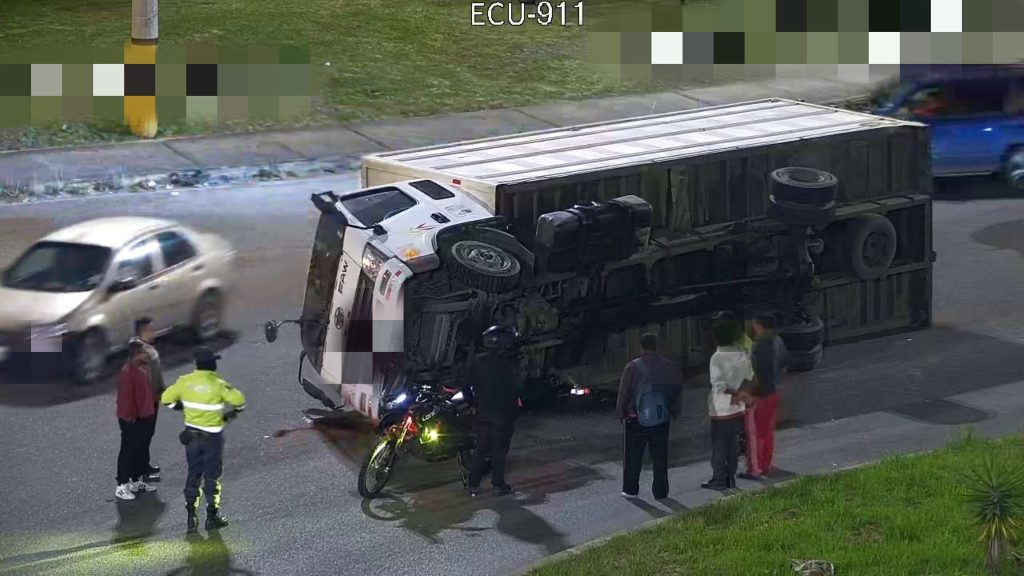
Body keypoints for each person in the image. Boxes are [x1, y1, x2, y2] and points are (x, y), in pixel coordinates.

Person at [161, 348, 246, 533]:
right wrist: (231, 414)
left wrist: (181, 407)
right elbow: (239, 401)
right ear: (213, 365)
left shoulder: (185, 381)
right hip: (212, 439)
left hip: (192, 437)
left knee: (193, 474)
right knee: (211, 477)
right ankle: (212, 516)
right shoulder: (218, 384)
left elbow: (166, 399)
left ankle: (191, 518)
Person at [615, 332, 683, 500]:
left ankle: (630, 489)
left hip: (635, 419)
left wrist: (621, 413)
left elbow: (623, 393)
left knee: (633, 456)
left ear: (641, 347)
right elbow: (676, 391)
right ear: (656, 346)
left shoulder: (631, 367)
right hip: (661, 419)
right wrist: (674, 411)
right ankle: (660, 491)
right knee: (660, 457)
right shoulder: (670, 366)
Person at [463, 324, 523, 497]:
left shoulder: (477, 361)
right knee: (499, 451)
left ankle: (473, 485)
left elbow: (465, 385)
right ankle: (498, 485)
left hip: (483, 412)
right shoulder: (510, 364)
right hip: (503, 415)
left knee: (480, 451)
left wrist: (472, 403)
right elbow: (518, 388)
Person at [702, 319, 753, 491]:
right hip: (738, 408)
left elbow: (719, 385)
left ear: (716, 338)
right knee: (733, 444)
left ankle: (718, 479)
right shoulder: (741, 354)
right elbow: (749, 377)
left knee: (719, 445)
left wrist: (730, 395)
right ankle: (730, 476)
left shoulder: (717, 358)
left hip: (720, 407)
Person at [739, 312, 788, 480]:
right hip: (774, 391)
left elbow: (757, 373)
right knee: (768, 432)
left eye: (755, 324)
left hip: (761, 395)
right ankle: (766, 464)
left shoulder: (759, 346)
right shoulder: (778, 342)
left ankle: (755, 468)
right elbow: (784, 365)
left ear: (760, 325)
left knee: (755, 433)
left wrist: (749, 393)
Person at [115, 341, 158, 501]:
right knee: (128, 452)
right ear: (135, 356)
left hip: (144, 417)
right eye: (142, 353)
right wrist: (131, 419)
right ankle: (121, 485)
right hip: (132, 419)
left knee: (139, 450)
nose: (146, 355)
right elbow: (125, 400)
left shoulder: (143, 368)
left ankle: (135, 481)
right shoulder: (127, 373)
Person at [131, 317, 165, 481]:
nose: (154, 332)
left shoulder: (147, 347)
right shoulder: (138, 350)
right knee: (142, 435)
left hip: (153, 398)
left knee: (147, 434)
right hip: (144, 401)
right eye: (150, 329)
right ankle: (140, 469)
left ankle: (145, 465)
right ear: (142, 331)